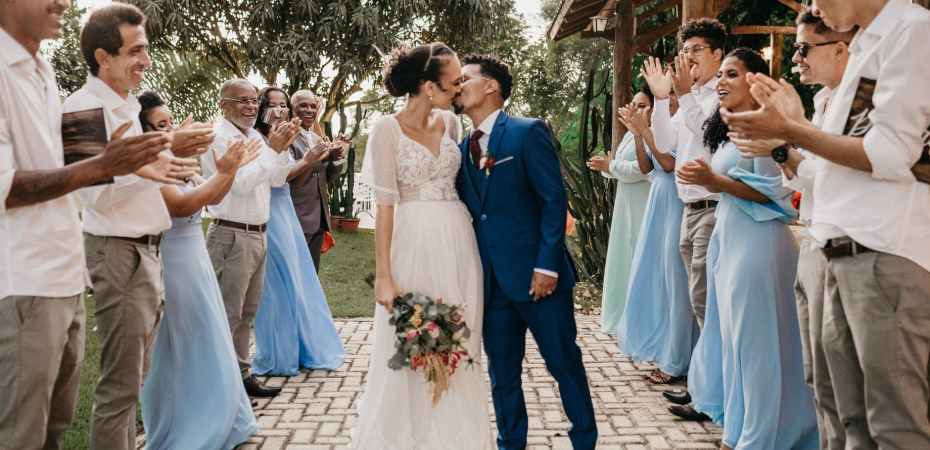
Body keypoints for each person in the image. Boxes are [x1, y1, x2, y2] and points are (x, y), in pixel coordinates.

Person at [723, 1, 930, 447]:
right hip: (840, 248)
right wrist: (784, 138)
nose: (813, 4)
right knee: (845, 415)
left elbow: (892, 154)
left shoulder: (912, 32)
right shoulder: (869, 47)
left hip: (883, 249)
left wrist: (790, 132)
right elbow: (826, 171)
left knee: (893, 425)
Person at [0, 1, 170, 448]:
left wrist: (151, 157)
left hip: (66, 272)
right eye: (136, 50)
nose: (63, 3)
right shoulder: (76, 102)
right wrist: (109, 166)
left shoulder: (42, 74)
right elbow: (15, 187)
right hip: (27, 276)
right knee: (23, 433)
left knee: (57, 426)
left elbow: (71, 174)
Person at [63, 4, 206, 449]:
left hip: (147, 251)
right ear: (103, 57)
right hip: (117, 252)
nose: (146, 59)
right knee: (119, 386)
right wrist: (158, 152)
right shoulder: (82, 107)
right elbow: (94, 192)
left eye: (147, 48)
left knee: (136, 380)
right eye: (136, 50)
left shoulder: (126, 106)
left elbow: (154, 174)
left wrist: (172, 160)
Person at [352, 42, 492, 450]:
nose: (460, 86)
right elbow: (384, 204)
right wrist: (383, 274)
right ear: (429, 87)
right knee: (415, 340)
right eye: (454, 81)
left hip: (457, 240)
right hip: (412, 243)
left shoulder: (450, 124)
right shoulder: (386, 130)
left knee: (459, 339)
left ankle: (455, 437)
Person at [454, 54, 598, 450]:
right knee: (502, 373)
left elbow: (554, 201)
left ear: (491, 87)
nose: (457, 84)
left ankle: (585, 442)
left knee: (563, 364)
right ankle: (510, 444)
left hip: (539, 279)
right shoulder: (460, 146)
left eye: (465, 78)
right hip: (492, 283)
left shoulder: (527, 132)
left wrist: (547, 265)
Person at [678, 48, 818, 450]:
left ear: (755, 81)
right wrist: (708, 179)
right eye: (720, 75)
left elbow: (776, 195)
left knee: (756, 345)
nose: (720, 82)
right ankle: (740, 429)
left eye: (731, 74)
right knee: (733, 342)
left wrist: (715, 183)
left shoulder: (765, 131)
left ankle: (762, 437)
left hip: (759, 245)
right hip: (730, 239)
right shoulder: (728, 130)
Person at [729, 9, 854, 449]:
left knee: (860, 399)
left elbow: (841, 175)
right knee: (820, 384)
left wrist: (786, 135)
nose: (795, 59)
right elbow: (809, 178)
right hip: (816, 248)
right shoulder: (822, 105)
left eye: (803, 48)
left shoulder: (857, 104)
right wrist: (784, 147)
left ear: (841, 49)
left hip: (853, 255)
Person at [137, 91, 260, 450]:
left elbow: (214, 198)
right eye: (161, 126)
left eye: (171, 123)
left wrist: (227, 171)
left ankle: (221, 415)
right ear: (142, 132)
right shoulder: (151, 170)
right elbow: (183, 206)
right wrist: (227, 170)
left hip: (196, 259)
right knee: (181, 345)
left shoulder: (178, 162)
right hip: (173, 263)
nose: (172, 131)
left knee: (209, 338)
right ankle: (186, 426)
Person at [202, 78, 300, 398]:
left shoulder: (256, 136)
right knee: (228, 314)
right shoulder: (218, 138)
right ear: (223, 104)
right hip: (231, 233)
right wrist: (272, 150)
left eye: (253, 100)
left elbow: (276, 178)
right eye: (242, 100)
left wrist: (280, 149)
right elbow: (240, 183)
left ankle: (243, 376)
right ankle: (221, 385)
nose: (250, 106)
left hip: (258, 234)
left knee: (247, 313)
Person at [655, 18, 729, 422]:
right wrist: (662, 100)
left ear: (718, 54)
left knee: (706, 304)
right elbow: (667, 145)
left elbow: (711, 137)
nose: (689, 58)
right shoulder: (692, 97)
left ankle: (708, 394)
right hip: (688, 211)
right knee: (699, 304)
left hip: (713, 210)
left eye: (697, 50)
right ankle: (704, 387)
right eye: (685, 51)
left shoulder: (720, 96)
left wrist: (684, 97)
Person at [251, 87, 345, 376]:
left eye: (282, 105)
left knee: (302, 284)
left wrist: (333, 158)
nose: (279, 111)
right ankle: (280, 351)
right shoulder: (261, 140)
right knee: (279, 287)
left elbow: (321, 175)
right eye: (273, 105)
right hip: (274, 212)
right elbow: (278, 179)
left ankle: (303, 344)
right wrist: (308, 159)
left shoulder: (295, 135)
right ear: (261, 108)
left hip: (291, 214)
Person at [615, 73, 698, 386]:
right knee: (656, 278)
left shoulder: (684, 125)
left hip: (676, 203)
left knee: (677, 283)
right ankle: (666, 350)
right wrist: (638, 135)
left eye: (673, 95)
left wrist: (646, 131)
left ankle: (678, 360)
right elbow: (647, 165)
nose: (671, 100)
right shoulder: (662, 126)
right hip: (658, 203)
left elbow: (667, 164)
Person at [586, 90, 652, 335]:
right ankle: (622, 317)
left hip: (643, 204)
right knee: (624, 258)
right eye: (633, 103)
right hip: (625, 203)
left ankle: (639, 321)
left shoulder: (652, 135)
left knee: (639, 258)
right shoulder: (628, 137)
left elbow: (643, 170)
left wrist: (611, 165)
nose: (636, 109)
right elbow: (620, 167)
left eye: (643, 105)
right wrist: (606, 166)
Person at [288, 89, 348, 270]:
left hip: (319, 218)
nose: (309, 110)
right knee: (295, 272)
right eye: (303, 105)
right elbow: (287, 175)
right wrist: (319, 157)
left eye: (313, 106)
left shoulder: (316, 138)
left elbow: (325, 177)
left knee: (312, 274)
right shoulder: (286, 136)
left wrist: (337, 157)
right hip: (296, 215)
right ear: (292, 108)